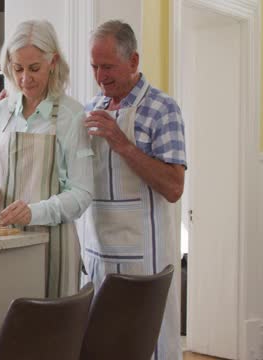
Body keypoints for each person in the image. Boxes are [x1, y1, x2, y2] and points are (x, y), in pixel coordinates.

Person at [81, 20, 186, 360]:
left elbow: (173, 187)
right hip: (98, 255)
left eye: (108, 66)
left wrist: (121, 143)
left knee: (145, 345)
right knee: (102, 345)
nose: (100, 76)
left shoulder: (162, 109)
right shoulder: (90, 109)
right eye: (95, 66)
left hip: (145, 261)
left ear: (134, 61)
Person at [0, 19, 94, 299]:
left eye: (34, 68)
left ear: (52, 62)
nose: (25, 79)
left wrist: (34, 212)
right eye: (18, 69)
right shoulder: (2, 111)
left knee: (49, 336)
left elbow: (82, 193)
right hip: (1, 245)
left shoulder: (71, 115)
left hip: (54, 250)